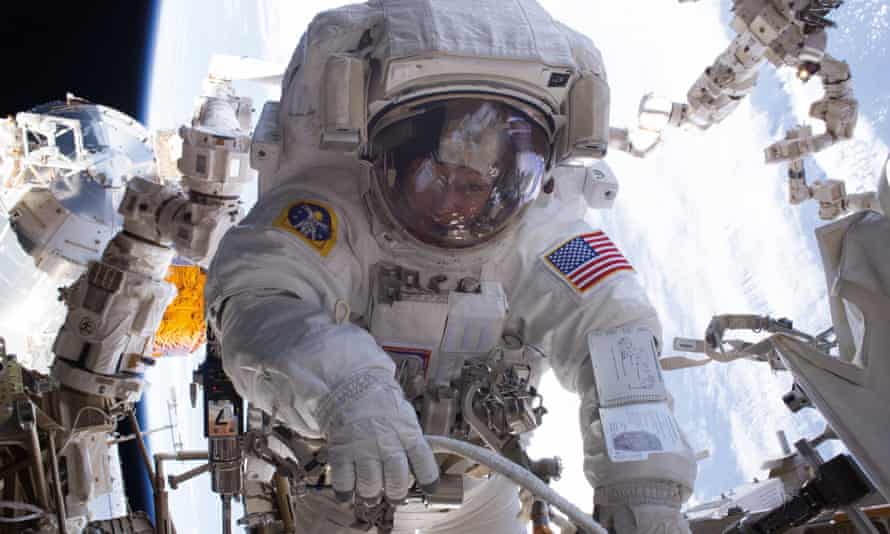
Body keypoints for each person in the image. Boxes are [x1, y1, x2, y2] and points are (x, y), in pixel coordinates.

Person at [206, 1, 697, 532]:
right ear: (391, 155)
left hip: (479, 488)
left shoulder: (544, 238)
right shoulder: (329, 214)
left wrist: (644, 490)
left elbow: (618, 337)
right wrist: (347, 390)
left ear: (510, 183)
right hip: (343, 479)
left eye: (471, 187)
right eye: (433, 176)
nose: (450, 204)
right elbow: (258, 299)